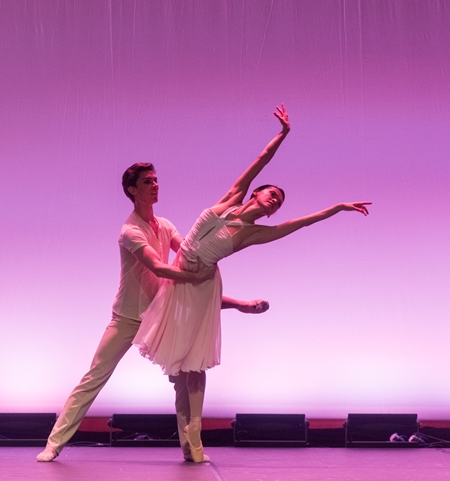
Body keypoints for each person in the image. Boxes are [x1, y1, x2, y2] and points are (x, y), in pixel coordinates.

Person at [133, 104, 371, 462]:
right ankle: (187, 435)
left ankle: (194, 434)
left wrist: (336, 207)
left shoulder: (255, 234)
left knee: (194, 366)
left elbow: (301, 223)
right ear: (255, 193)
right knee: (178, 371)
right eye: (271, 194)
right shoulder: (231, 199)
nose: (275, 201)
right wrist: (282, 135)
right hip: (178, 278)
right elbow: (260, 161)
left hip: (200, 285)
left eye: (278, 202)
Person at [36, 162, 269, 462]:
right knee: (95, 376)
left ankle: (191, 448)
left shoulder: (166, 225)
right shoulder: (130, 231)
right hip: (128, 317)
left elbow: (191, 256)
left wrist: (236, 297)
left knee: (186, 376)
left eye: (156, 180)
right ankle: (54, 443)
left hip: (162, 314)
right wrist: (196, 275)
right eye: (148, 181)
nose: (155, 185)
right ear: (133, 190)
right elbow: (159, 267)